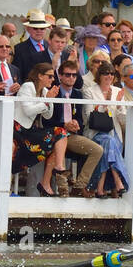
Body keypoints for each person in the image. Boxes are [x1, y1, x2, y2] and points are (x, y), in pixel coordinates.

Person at [48, 56, 102, 197]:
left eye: (74, 75)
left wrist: (76, 124)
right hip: (54, 132)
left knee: (97, 150)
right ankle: (62, 186)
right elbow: (47, 119)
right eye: (67, 75)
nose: (71, 78)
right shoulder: (53, 91)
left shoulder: (78, 93)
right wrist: (64, 124)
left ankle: (80, 185)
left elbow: (79, 118)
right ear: (60, 75)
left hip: (71, 135)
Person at [13, 61, 69, 196]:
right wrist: (46, 100)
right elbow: (28, 111)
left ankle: (55, 171)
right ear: (40, 76)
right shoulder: (27, 87)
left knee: (61, 136)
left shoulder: (44, 91)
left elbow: (48, 116)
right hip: (18, 130)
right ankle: (54, 173)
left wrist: (49, 100)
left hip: (30, 131)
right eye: (49, 76)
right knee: (59, 134)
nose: (53, 79)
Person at [83, 61, 129, 197]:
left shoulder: (117, 92)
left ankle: (100, 187)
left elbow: (123, 120)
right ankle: (118, 180)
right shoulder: (89, 91)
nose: (109, 76)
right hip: (95, 133)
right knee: (108, 142)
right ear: (99, 75)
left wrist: (119, 105)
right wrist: (105, 103)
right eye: (105, 73)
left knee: (109, 142)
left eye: (112, 74)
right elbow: (88, 117)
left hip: (114, 132)